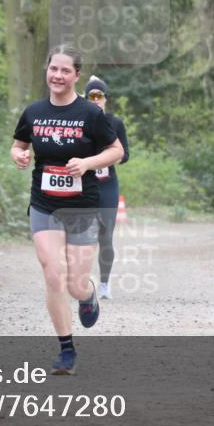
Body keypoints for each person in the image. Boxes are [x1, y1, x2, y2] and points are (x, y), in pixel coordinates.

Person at [11, 46, 124, 375]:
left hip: (82, 207)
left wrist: (87, 162)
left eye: (65, 71)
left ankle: (88, 295)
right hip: (44, 203)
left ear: (76, 75)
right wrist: (17, 156)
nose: (57, 76)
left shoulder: (91, 114)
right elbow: (19, 144)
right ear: (46, 70)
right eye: (53, 69)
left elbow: (115, 150)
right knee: (52, 274)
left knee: (75, 284)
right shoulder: (33, 112)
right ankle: (66, 350)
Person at [83, 76, 129, 299]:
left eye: (98, 95)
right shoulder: (79, 121)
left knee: (105, 237)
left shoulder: (115, 123)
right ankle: (79, 281)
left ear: (105, 99)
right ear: (85, 98)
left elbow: (125, 155)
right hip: (83, 185)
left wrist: (107, 158)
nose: (95, 99)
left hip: (107, 186)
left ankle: (104, 284)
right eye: (90, 95)